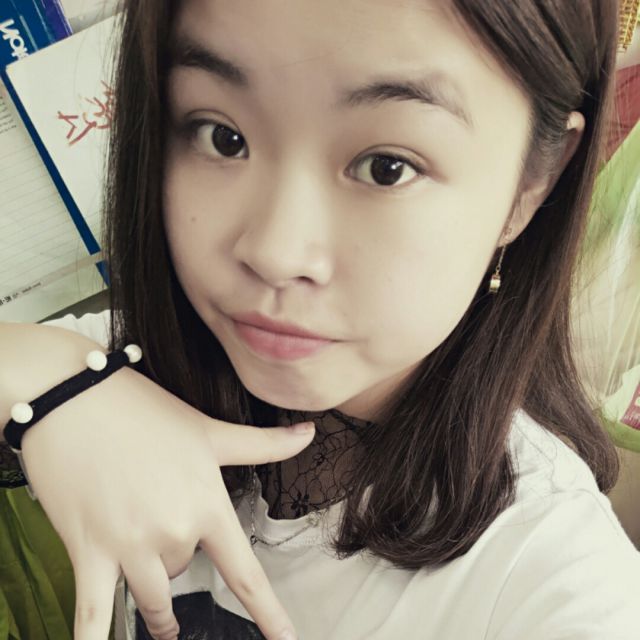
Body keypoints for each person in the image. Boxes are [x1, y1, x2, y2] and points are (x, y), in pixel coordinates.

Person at [1, 0, 639, 639]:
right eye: (222, 136)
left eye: (387, 167)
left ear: (531, 184)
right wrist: (44, 380)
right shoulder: (129, 372)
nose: (275, 253)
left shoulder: (548, 573)